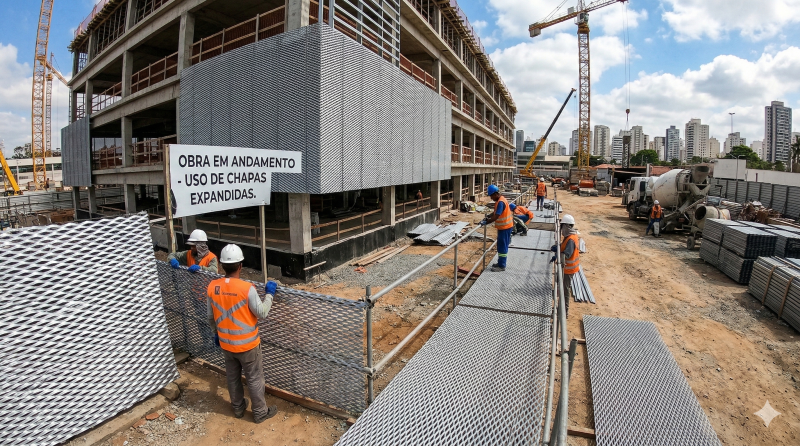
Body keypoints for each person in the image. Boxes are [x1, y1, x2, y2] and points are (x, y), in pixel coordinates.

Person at [207, 244, 279, 423]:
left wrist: (216, 333)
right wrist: (269, 294)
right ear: (240, 266)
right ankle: (260, 412)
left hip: (226, 344)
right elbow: (262, 312)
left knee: (232, 377)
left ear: (222, 265)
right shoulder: (247, 288)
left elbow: (210, 317)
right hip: (248, 346)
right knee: (254, 379)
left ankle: (238, 408)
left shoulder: (212, 287)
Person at [550, 214, 579, 317]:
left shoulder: (571, 239)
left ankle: (564, 312)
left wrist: (558, 253)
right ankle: (561, 308)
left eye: (562, 226)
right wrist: (558, 248)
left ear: (567, 226)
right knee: (561, 288)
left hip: (568, 270)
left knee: (565, 291)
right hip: (565, 268)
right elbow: (564, 248)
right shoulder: (569, 236)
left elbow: (567, 254)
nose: (561, 229)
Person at [480, 184, 513, 272]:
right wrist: (488, 217)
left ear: (495, 194)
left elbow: (496, 217)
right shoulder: (500, 200)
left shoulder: (501, 202)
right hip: (504, 227)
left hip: (505, 227)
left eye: (491, 196)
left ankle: (502, 266)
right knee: (501, 246)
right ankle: (500, 263)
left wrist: (486, 222)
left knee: (502, 247)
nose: (491, 198)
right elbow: (495, 213)